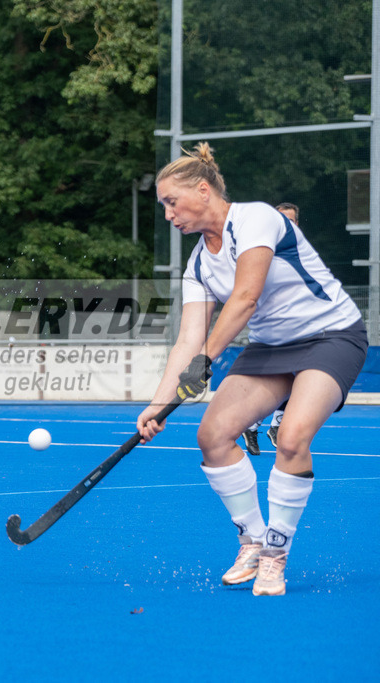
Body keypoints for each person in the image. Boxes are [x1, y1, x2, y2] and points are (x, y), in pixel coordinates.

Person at [137, 144, 367, 597]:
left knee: (293, 436)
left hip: (331, 336)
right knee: (213, 435)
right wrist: (160, 404)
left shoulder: (256, 218)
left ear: (202, 191)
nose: (168, 214)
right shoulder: (198, 264)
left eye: (170, 202)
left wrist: (205, 362)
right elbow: (187, 341)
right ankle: (252, 540)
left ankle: (275, 557)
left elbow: (246, 298)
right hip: (271, 349)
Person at [240, 202, 298, 454]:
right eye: (281, 219)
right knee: (279, 382)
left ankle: (262, 425)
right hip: (272, 327)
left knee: (296, 379)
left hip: (298, 325)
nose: (287, 224)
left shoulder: (301, 253)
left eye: (291, 221)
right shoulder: (262, 251)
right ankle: (254, 424)